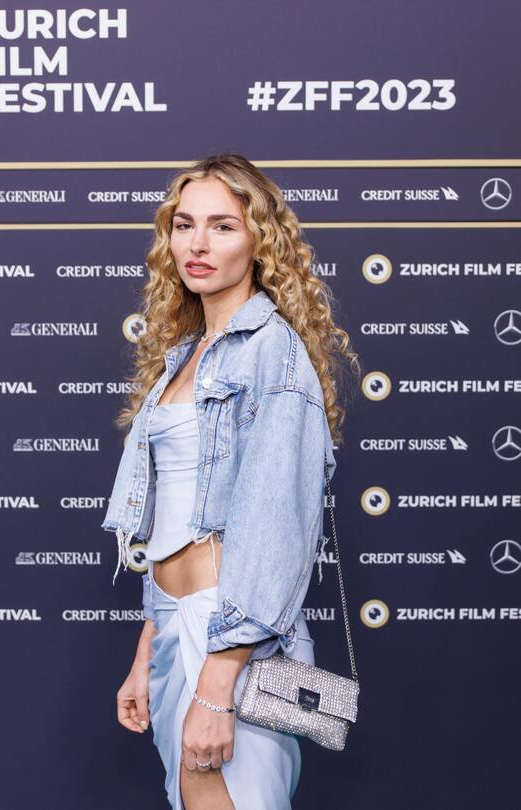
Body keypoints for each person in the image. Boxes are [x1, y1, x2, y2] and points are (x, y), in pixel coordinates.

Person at [101, 153, 360, 809]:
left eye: (222, 226)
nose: (197, 243)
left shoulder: (271, 353)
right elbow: (174, 521)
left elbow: (274, 533)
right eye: (185, 224)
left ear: (258, 240)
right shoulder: (184, 356)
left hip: (232, 643)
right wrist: (146, 654)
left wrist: (216, 690)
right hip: (173, 629)